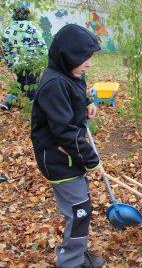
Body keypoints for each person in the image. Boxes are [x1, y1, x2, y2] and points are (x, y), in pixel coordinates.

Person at [30, 24, 106, 268]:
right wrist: (92, 160)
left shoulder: (70, 75)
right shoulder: (53, 85)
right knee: (80, 211)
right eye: (86, 58)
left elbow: (77, 91)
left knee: (80, 207)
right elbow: (64, 132)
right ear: (69, 56)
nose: (90, 64)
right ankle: (71, 262)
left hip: (71, 158)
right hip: (59, 159)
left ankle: (77, 252)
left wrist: (87, 103)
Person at [0, 6, 47, 110]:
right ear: (26, 15)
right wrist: (44, 60)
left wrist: (10, 63)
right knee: (31, 85)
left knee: (22, 81)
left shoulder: (8, 30)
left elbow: (6, 50)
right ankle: (33, 108)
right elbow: (42, 45)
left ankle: (8, 102)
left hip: (17, 63)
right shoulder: (32, 29)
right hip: (34, 63)